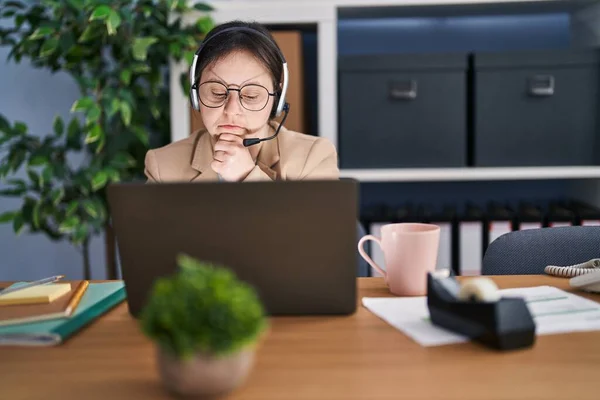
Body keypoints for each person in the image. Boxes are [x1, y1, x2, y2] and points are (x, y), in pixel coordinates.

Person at [144, 20, 340, 182]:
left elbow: (312, 230)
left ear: (277, 98)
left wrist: (247, 177)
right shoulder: (163, 166)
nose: (232, 110)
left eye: (251, 96)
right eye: (217, 92)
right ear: (196, 95)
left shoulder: (312, 158)